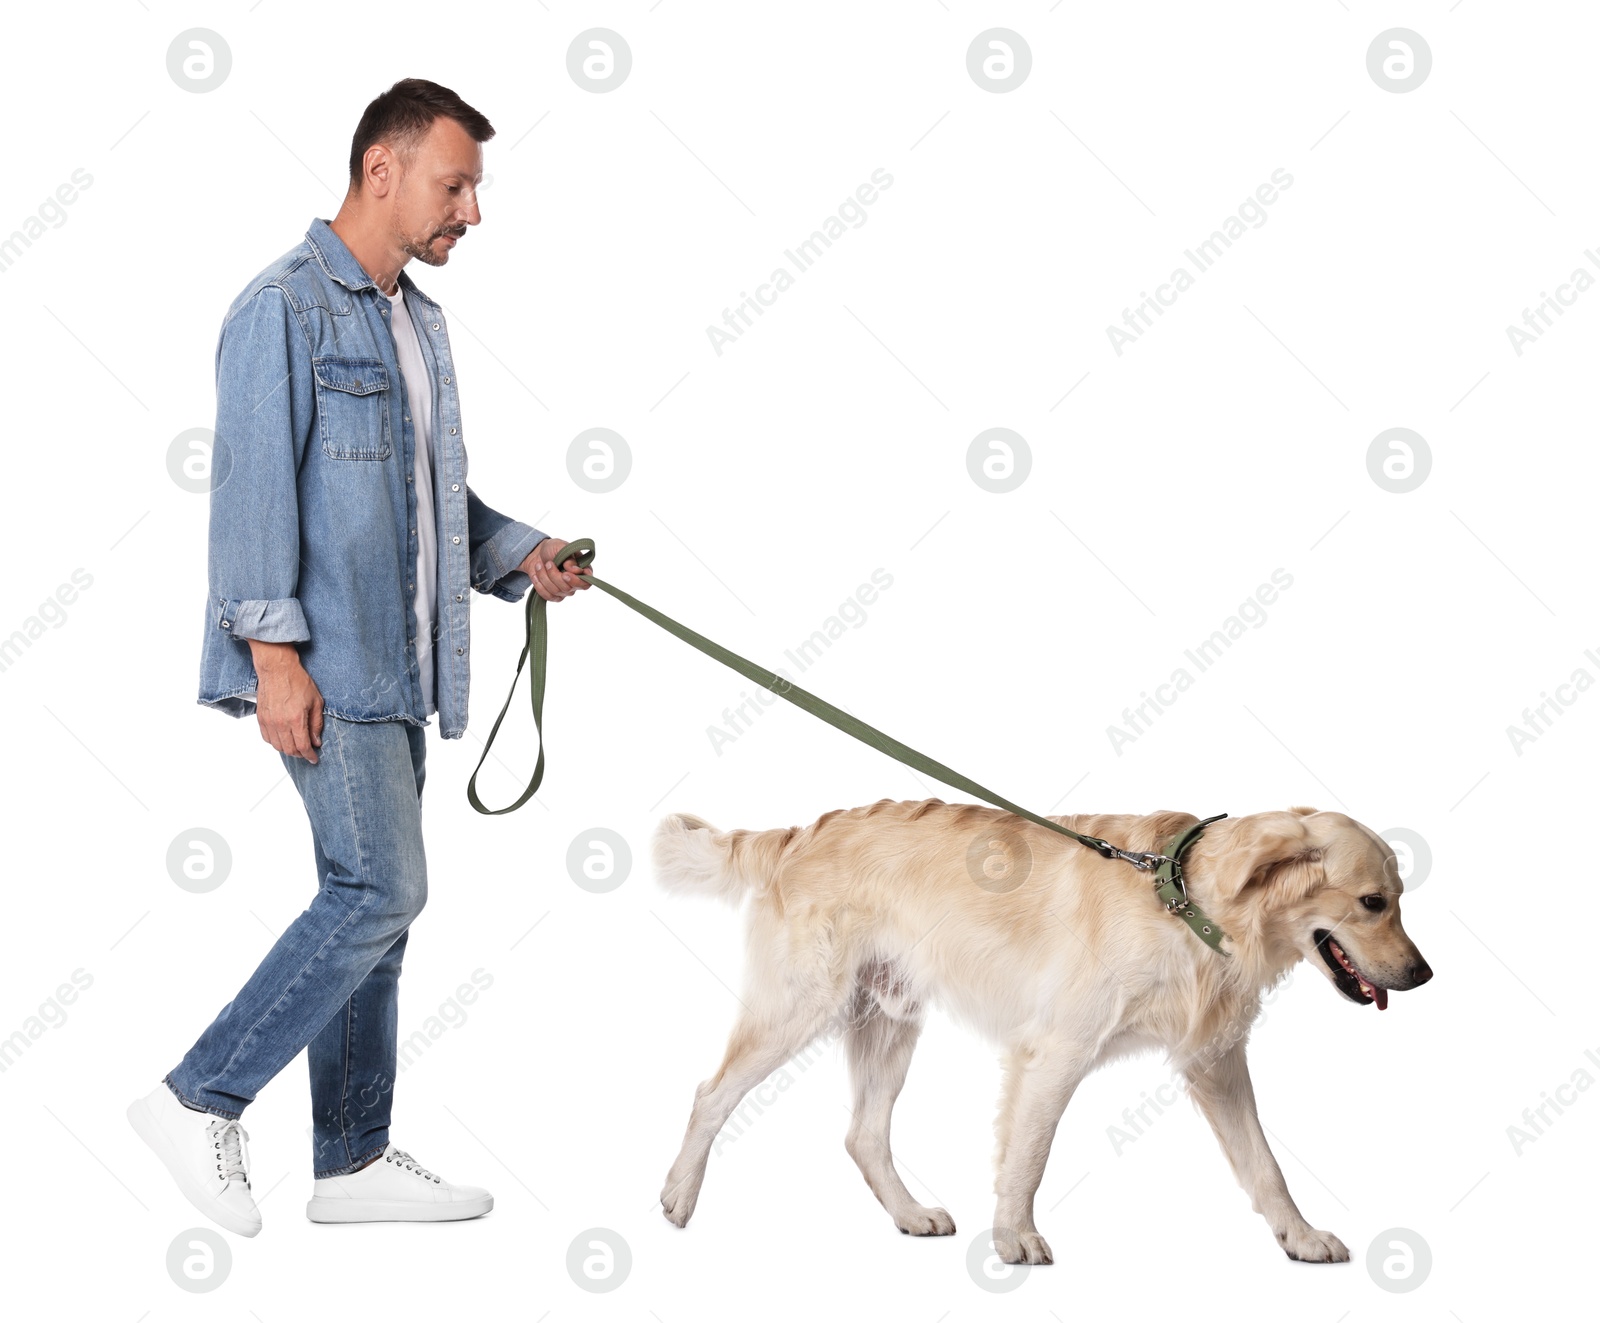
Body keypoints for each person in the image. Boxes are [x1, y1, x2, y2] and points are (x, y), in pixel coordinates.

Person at [126, 78, 589, 1236]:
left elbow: (433, 499)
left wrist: (522, 555)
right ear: (381, 170)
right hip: (323, 666)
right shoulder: (282, 308)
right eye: (456, 183)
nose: (470, 212)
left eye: (473, 188)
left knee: (373, 908)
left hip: (402, 667)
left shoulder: (413, 318)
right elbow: (245, 500)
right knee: (380, 888)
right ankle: (198, 1097)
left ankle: (351, 1157)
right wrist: (273, 659)